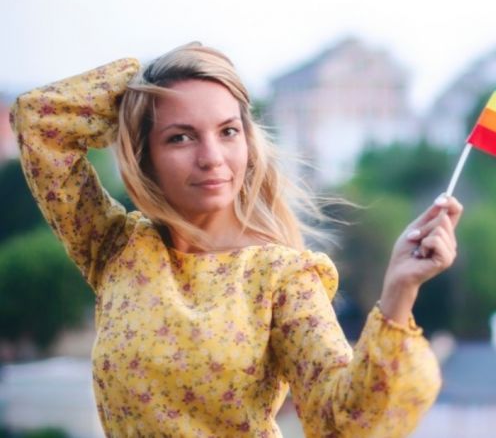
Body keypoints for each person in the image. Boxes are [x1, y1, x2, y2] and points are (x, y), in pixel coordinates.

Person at [10, 42, 463, 437]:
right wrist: (141, 83)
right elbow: (39, 122)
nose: (212, 158)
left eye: (227, 131)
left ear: (247, 142)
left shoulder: (282, 277)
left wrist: (400, 292)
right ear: (144, 156)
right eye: (181, 137)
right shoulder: (116, 248)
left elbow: (342, 420)